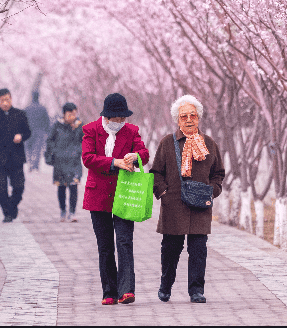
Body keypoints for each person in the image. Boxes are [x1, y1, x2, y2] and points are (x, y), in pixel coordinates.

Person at [150, 94, 225, 304]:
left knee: (198, 250)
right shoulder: (167, 143)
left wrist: (212, 190)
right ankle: (165, 286)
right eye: (184, 116)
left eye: (193, 115)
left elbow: (218, 172)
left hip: (200, 206)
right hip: (173, 205)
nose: (189, 119)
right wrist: (163, 192)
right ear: (177, 119)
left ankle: (196, 291)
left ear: (199, 117)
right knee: (170, 250)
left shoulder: (209, 143)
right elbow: (155, 172)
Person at [82, 93, 150, 306]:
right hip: (98, 195)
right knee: (105, 245)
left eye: (123, 119)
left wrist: (135, 157)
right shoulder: (91, 130)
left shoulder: (132, 131)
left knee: (124, 241)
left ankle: (127, 290)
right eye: (117, 119)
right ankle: (109, 291)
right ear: (107, 116)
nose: (121, 123)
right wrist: (115, 162)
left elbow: (144, 153)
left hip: (124, 193)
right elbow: (88, 158)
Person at [0, 88, 31, 223]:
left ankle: (12, 206)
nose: (5, 103)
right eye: (2, 100)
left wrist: (21, 136)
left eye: (7, 100)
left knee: (19, 187)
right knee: (1, 190)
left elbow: (28, 132)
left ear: (11, 99)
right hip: (0, 159)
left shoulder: (20, 114)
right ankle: (7, 213)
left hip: (17, 158)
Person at [45, 102, 84, 222]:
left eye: (74, 113)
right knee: (61, 186)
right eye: (69, 114)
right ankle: (63, 210)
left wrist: (79, 150)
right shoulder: (57, 125)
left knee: (73, 186)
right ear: (64, 114)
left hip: (74, 161)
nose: (72, 116)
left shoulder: (79, 126)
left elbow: (86, 141)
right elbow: (50, 141)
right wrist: (54, 152)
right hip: (60, 162)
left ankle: (72, 212)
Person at [25, 90, 51, 172]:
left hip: (28, 132)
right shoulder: (43, 109)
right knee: (37, 149)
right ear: (38, 97)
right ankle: (35, 165)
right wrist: (47, 132)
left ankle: (30, 163)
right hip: (39, 132)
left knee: (29, 149)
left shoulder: (27, 108)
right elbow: (47, 121)